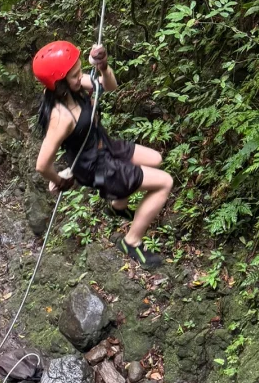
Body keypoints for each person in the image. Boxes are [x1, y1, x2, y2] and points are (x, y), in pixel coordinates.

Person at [33, 39, 173, 269]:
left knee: (156, 159)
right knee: (165, 182)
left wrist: (104, 67)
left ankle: (117, 204)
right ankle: (131, 241)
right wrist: (60, 180)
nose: (81, 77)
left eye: (80, 71)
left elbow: (109, 86)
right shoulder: (62, 117)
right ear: (60, 84)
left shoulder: (74, 88)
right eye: (75, 75)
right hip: (97, 168)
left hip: (105, 147)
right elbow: (41, 165)